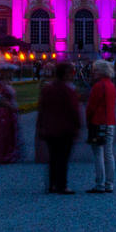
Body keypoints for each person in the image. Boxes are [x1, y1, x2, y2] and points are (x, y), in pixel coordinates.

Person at [36, 62, 83, 194]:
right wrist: (77, 127)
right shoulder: (69, 90)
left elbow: (42, 108)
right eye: (71, 73)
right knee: (62, 158)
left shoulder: (47, 89)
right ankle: (62, 186)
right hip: (65, 129)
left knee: (53, 157)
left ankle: (51, 185)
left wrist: (41, 126)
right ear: (66, 74)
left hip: (50, 128)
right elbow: (74, 110)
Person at [84, 59, 116, 192]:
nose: (93, 73)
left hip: (98, 123)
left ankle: (100, 184)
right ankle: (109, 184)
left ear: (101, 72)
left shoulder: (98, 86)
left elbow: (91, 106)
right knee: (109, 154)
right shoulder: (111, 85)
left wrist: (87, 119)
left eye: (95, 70)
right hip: (110, 122)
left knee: (98, 154)